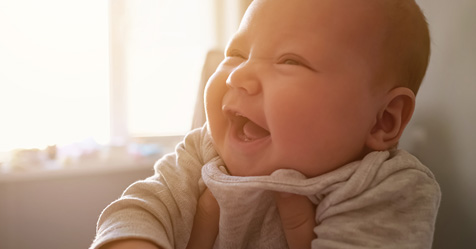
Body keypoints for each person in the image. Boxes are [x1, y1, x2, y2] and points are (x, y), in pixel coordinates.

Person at [90, 0, 441, 248]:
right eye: (237, 54)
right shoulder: (203, 152)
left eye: (290, 60)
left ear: (383, 119)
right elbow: (142, 207)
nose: (239, 74)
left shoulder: (384, 188)